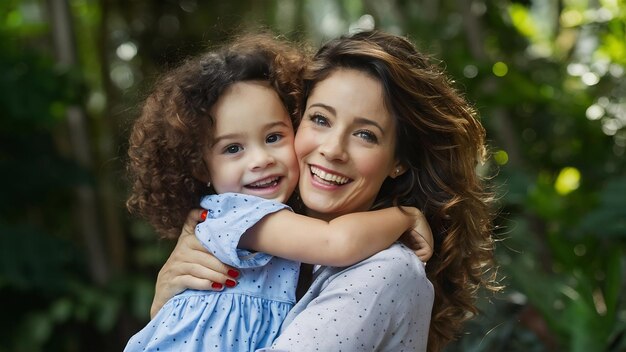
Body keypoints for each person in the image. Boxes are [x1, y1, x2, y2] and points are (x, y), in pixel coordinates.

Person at [149, 30, 499, 352]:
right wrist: (165, 303)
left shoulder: (387, 269)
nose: (333, 149)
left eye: (366, 134)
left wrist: (404, 218)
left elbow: (338, 242)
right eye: (320, 119)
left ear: (399, 161)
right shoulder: (266, 247)